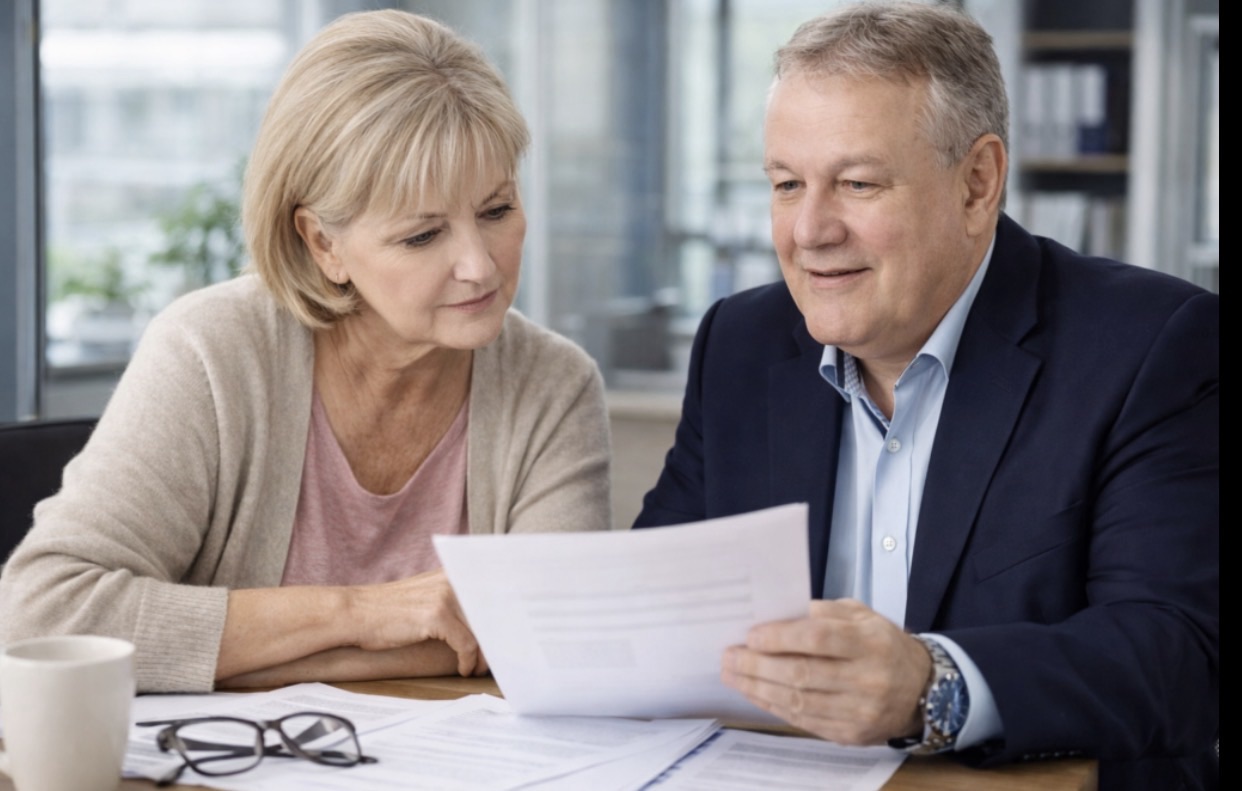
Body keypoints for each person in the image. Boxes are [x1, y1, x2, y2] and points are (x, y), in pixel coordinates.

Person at [634, 3, 1217, 789]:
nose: (809, 231)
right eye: (787, 184)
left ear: (977, 183)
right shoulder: (741, 344)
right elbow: (655, 599)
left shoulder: (1152, 344)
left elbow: (1179, 654)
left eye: (857, 183)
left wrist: (930, 685)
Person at [0, 10, 611, 694]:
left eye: (496, 210)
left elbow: (557, 639)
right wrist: (364, 614)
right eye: (422, 235)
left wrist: (264, 655)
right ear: (323, 244)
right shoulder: (212, 353)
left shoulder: (554, 384)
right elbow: (37, 616)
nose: (480, 265)